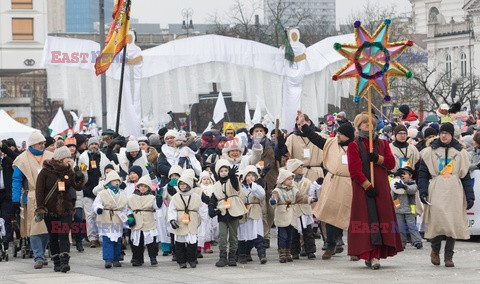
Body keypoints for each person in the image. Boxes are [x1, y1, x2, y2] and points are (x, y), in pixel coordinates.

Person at [346, 112, 403, 270]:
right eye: (365, 124)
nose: (368, 126)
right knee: (366, 219)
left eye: (371, 123)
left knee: (381, 218)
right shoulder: (354, 146)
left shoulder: (383, 144)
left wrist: (378, 159)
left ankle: (377, 255)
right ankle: (368, 253)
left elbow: (391, 164)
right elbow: (354, 170)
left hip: (381, 188)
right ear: (359, 126)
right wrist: (367, 186)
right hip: (364, 188)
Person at [296, 110, 355, 260]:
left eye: (341, 134)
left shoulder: (356, 147)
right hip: (333, 180)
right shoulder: (332, 143)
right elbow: (315, 138)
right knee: (329, 214)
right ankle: (330, 245)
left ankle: (354, 249)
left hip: (349, 182)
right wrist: (304, 126)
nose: (338, 136)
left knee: (350, 216)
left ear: (348, 136)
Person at [418, 122, 474, 267]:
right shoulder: (430, 151)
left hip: (455, 190)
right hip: (436, 189)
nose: (444, 135)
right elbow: (423, 174)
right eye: (442, 132)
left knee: (452, 223)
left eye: (447, 133)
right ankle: (435, 250)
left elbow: (466, 176)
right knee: (437, 222)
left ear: (452, 135)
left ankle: (449, 256)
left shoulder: (460, 152)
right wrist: (423, 190)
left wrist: (470, 195)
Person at [35, 146, 84, 273]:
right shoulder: (46, 171)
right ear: (60, 158)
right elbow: (39, 191)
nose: (69, 159)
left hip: (66, 209)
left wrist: (79, 175)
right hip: (50, 209)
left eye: (69, 157)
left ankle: (64, 262)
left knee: (63, 234)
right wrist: (40, 208)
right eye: (67, 157)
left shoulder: (69, 170)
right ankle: (56, 262)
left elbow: (77, 187)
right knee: (53, 235)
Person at [12, 131, 53, 269]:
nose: (43, 145)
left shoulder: (50, 157)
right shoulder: (22, 159)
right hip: (31, 196)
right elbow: (16, 180)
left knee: (46, 227)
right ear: (33, 144)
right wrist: (15, 199)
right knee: (34, 228)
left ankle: (42, 252)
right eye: (40, 143)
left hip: (48, 196)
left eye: (43, 143)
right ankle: (38, 257)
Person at [269, 168, 315, 263]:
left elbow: (300, 197)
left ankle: (288, 252)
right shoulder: (277, 191)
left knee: (290, 235)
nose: (291, 181)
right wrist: (273, 201)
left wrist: (309, 199)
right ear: (283, 180)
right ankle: (282, 253)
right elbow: (274, 199)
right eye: (288, 179)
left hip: (291, 215)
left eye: (291, 179)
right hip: (282, 215)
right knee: (283, 235)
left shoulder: (294, 190)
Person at [209, 159, 247, 267]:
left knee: (233, 236)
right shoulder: (216, 185)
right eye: (221, 171)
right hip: (222, 211)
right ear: (218, 173)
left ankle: (232, 256)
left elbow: (235, 185)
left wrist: (233, 176)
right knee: (222, 235)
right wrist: (211, 207)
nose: (224, 172)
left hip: (234, 210)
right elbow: (214, 197)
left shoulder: (232, 181)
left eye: (226, 170)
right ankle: (222, 256)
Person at [168, 170, 206, 268]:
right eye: (180, 184)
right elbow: (171, 209)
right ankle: (181, 261)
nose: (182, 186)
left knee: (192, 242)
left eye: (185, 184)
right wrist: (172, 220)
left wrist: (203, 219)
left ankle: (192, 259)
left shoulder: (196, 197)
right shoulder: (175, 197)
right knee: (180, 242)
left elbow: (202, 208)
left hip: (192, 219)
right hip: (180, 220)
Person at [78, 137, 111, 248]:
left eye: (96, 144)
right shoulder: (83, 157)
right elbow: (81, 173)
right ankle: (92, 238)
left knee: (99, 215)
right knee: (90, 215)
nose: (94, 146)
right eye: (92, 144)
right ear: (88, 145)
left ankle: (100, 235)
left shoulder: (103, 157)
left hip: (100, 191)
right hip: (87, 190)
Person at [93, 170, 128, 268]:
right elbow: (97, 203)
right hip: (106, 217)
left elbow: (125, 207)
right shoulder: (102, 193)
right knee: (107, 239)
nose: (116, 182)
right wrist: (98, 209)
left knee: (117, 240)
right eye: (113, 180)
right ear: (109, 182)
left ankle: (116, 259)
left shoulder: (122, 194)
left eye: (117, 180)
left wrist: (127, 217)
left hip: (118, 217)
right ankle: (108, 259)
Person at [286, 159, 319, 260]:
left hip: (305, 209)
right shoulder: (288, 182)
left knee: (308, 232)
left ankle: (310, 251)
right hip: (294, 209)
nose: (302, 168)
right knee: (294, 232)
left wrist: (315, 192)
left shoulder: (307, 181)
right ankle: (294, 251)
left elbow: (311, 194)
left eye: (302, 166)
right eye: (299, 167)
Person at [127, 175, 163, 266]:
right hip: (137, 219)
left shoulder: (151, 197)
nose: (142, 188)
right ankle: (137, 258)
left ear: (149, 188)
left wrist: (159, 197)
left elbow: (157, 206)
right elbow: (127, 208)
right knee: (137, 241)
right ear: (138, 186)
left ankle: (153, 257)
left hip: (148, 220)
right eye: (141, 186)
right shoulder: (132, 197)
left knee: (151, 241)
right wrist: (130, 216)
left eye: (145, 186)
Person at [238, 165, 267, 264]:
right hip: (243, 213)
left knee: (257, 234)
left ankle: (262, 255)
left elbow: (262, 194)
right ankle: (243, 254)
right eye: (248, 175)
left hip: (254, 212)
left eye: (253, 175)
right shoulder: (240, 187)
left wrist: (253, 186)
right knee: (243, 235)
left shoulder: (257, 187)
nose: (250, 177)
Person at [391, 167, 423, 249]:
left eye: (404, 174)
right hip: (398, 208)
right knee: (400, 226)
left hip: (409, 209)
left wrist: (404, 186)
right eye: (401, 174)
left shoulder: (412, 183)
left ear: (410, 176)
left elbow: (413, 189)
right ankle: (402, 242)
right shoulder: (395, 182)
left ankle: (417, 241)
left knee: (411, 225)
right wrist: (395, 177)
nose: (402, 176)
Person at [0, 140, 17, 255]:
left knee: (6, 218)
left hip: (6, 194)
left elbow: (17, 158)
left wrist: (3, 147)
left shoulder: (7, 161)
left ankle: (5, 241)